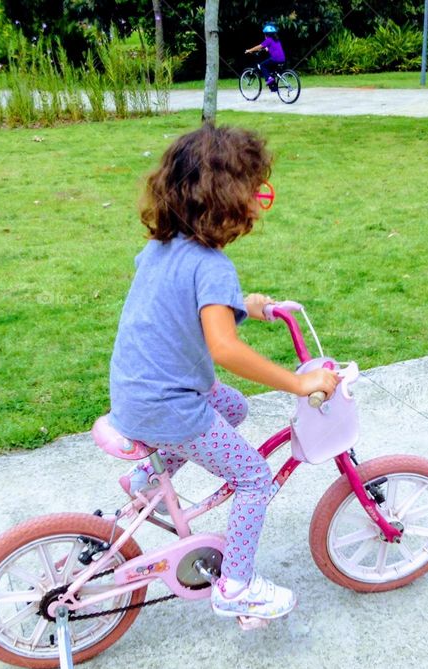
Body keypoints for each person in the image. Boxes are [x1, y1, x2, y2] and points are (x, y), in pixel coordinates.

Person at [108, 124, 338, 620]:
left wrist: (242, 305)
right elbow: (225, 349)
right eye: (257, 189)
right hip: (170, 406)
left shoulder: (161, 249)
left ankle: (149, 477)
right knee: (255, 477)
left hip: (136, 393)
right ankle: (236, 585)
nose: (261, 199)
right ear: (230, 200)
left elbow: (181, 304)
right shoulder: (212, 267)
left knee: (233, 406)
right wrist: (300, 382)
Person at [245, 23, 286, 92]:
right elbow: (270, 48)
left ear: (266, 34)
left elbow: (259, 46)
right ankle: (273, 87)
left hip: (275, 59)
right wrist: (266, 49)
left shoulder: (268, 40)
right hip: (282, 59)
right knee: (272, 71)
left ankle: (269, 79)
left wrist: (249, 50)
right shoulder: (277, 40)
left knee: (262, 66)